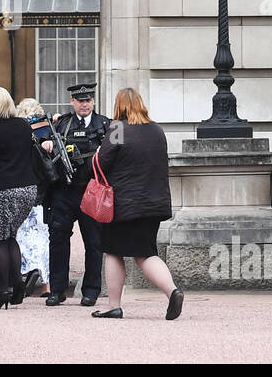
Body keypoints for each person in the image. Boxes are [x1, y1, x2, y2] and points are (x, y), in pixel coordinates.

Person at [89, 88, 183, 320]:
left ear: (119, 106)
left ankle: (114, 305)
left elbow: (101, 163)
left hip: (123, 205)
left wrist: (98, 151)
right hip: (153, 204)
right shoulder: (156, 130)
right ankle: (172, 291)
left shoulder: (118, 128)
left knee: (112, 252)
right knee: (146, 253)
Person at [0, 87, 43, 309]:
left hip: (1, 189)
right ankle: (18, 283)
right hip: (27, 188)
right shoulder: (24, 126)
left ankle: (5, 288)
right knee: (11, 235)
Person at [47, 82, 109, 306]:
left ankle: (91, 290)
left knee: (94, 242)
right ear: (72, 102)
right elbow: (37, 137)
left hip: (92, 190)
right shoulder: (61, 124)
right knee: (58, 240)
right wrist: (47, 142)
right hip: (65, 191)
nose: (85, 104)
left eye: (88, 100)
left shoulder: (106, 125)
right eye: (80, 100)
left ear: (93, 101)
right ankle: (57, 289)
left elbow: (118, 155)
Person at [15, 98, 53, 297]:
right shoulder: (46, 129)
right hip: (43, 190)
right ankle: (47, 284)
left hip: (22, 186)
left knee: (22, 236)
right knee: (43, 237)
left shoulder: (18, 132)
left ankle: (25, 272)